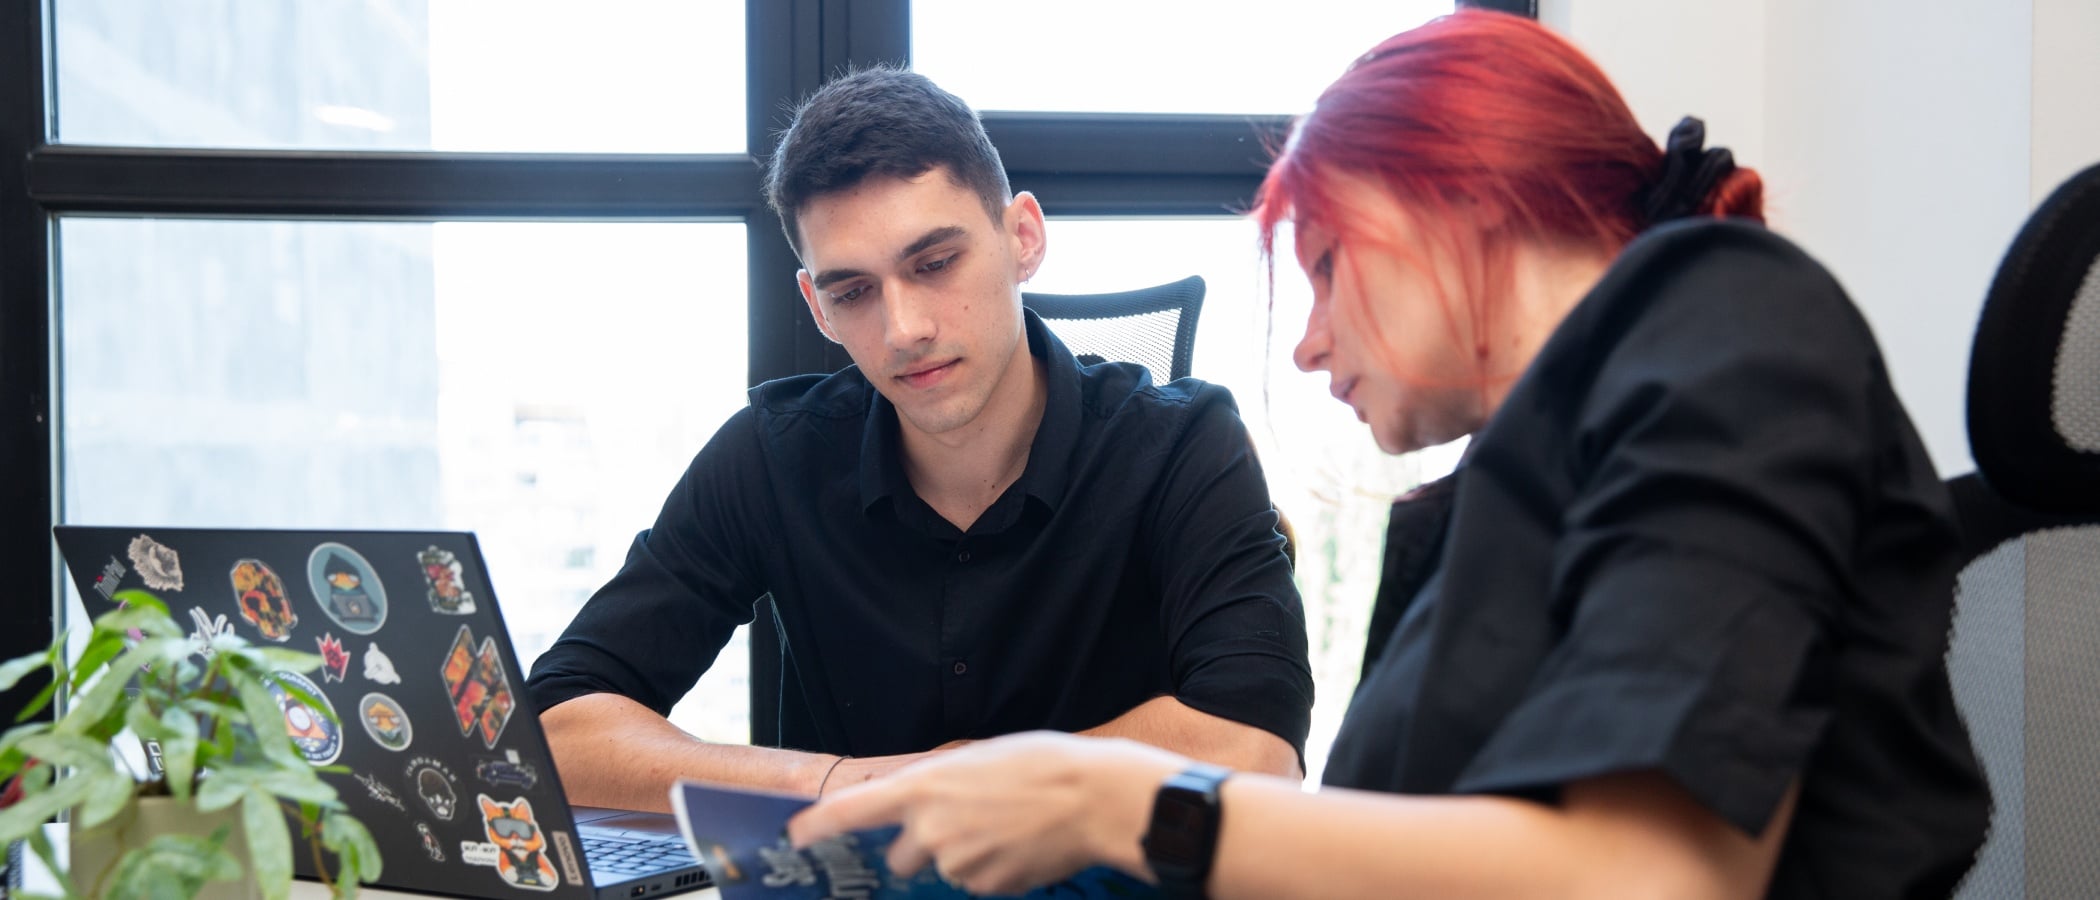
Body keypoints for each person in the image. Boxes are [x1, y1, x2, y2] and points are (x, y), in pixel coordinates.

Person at [788, 12, 1990, 899]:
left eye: (1324, 268)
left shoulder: (1726, 328)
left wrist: (1115, 802)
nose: (1310, 347)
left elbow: (1648, 877)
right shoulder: (1511, 494)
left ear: (1457, 199)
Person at [523, 66, 1314, 812]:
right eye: (854, 291)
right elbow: (560, 725)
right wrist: (841, 786)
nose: (904, 330)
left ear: (1023, 237)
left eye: (934, 262)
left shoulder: (1185, 443)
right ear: (818, 307)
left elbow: (1257, 749)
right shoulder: (773, 454)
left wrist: (958, 787)